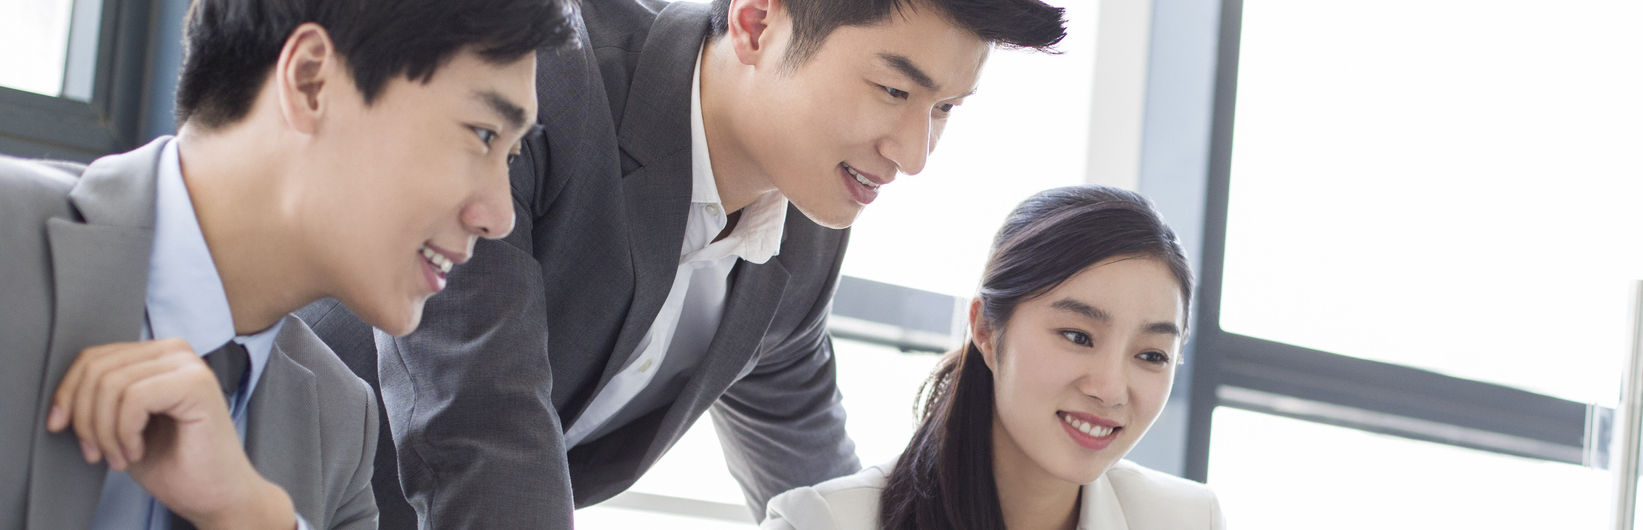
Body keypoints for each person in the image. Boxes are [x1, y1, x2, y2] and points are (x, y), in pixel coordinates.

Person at [294, 0, 1068, 527]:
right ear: (759, 21)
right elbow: (474, 423)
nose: (913, 154)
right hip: (250, 474)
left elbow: (807, 463)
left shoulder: (801, 229)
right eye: (892, 89)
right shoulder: (543, 82)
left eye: (943, 111)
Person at [0, 0, 574, 528]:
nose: (500, 215)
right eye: (483, 135)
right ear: (311, 79)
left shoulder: (338, 430)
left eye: (512, 156)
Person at [759, 185, 1225, 530]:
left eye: (1150, 354)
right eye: (1078, 336)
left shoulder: (1187, 520)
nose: (1109, 388)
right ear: (984, 328)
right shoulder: (825, 522)